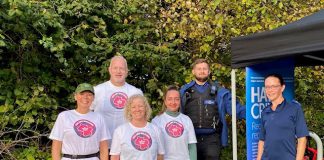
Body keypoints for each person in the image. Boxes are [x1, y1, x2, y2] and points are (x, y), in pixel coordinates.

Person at [180, 58, 246, 160]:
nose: (202, 71)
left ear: (209, 71)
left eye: (204, 68)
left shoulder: (219, 91)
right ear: (193, 71)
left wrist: (254, 111)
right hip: (190, 139)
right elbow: (174, 111)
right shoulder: (184, 91)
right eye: (199, 69)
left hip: (212, 139)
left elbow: (235, 109)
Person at [91, 55, 143, 148]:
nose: (118, 71)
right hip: (101, 146)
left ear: (126, 72)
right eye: (115, 68)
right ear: (110, 70)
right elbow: (86, 114)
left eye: (122, 68)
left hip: (127, 146)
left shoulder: (136, 93)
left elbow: (141, 120)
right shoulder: (97, 90)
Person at [50, 83, 110, 160]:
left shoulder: (99, 117)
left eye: (89, 94)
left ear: (93, 98)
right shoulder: (64, 116)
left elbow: (104, 147)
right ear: (75, 96)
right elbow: (56, 146)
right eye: (82, 94)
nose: (85, 97)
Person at [257, 73, 309, 160]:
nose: (270, 90)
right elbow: (262, 140)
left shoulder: (294, 108)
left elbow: (302, 138)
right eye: (267, 87)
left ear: (282, 87)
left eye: (274, 86)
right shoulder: (265, 112)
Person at [110, 94, 165, 160]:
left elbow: (160, 155)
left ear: (146, 108)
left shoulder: (156, 130)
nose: (137, 109)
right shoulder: (120, 131)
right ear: (129, 110)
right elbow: (115, 157)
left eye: (140, 106)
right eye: (133, 107)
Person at [152, 85, 197, 160]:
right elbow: (153, 150)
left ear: (180, 101)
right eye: (170, 99)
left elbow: (192, 147)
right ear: (165, 101)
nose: (173, 102)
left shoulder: (186, 120)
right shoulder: (156, 121)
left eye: (176, 99)